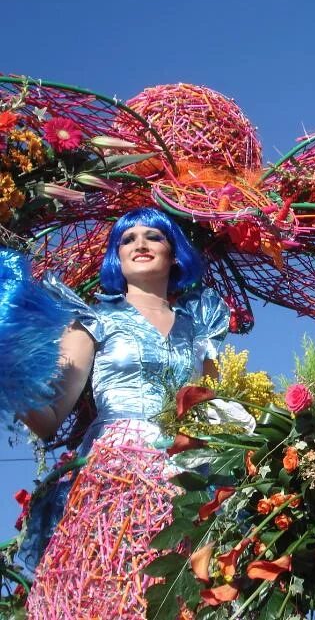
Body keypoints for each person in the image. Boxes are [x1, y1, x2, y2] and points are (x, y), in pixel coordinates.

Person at [17, 207, 230, 619]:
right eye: (128, 239)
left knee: (179, 594)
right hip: (115, 475)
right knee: (109, 593)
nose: (140, 245)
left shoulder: (201, 328)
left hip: (188, 476)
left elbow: (220, 411)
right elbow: (48, 416)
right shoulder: (94, 320)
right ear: (117, 256)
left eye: (154, 236)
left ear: (174, 254)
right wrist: (10, 373)